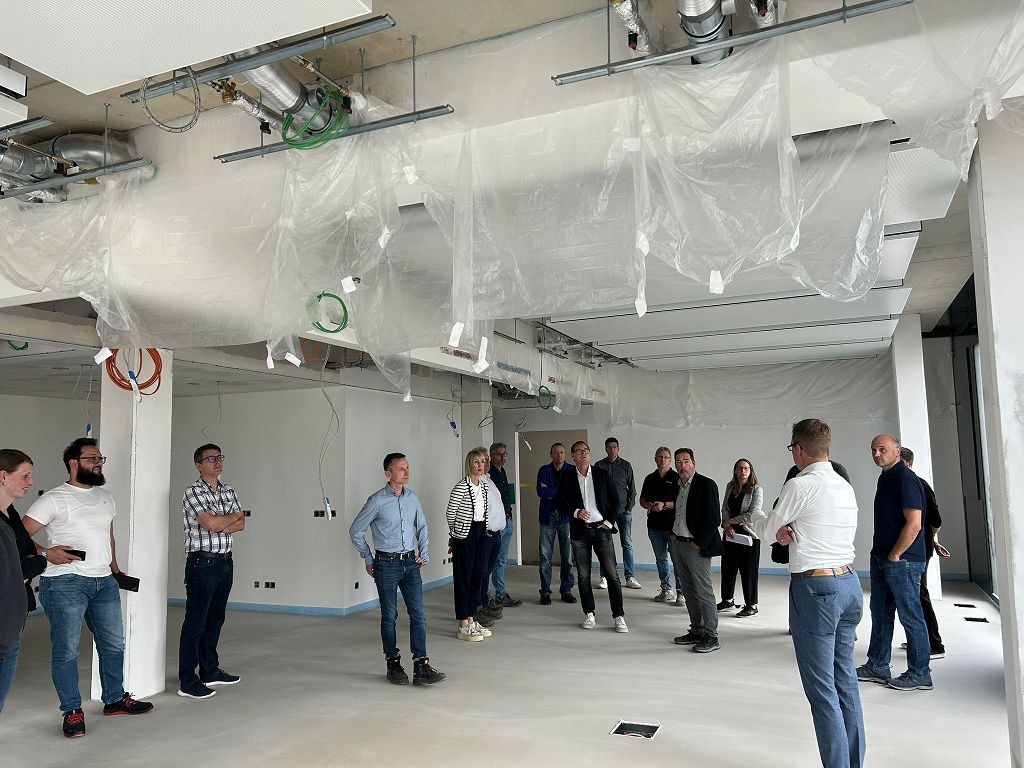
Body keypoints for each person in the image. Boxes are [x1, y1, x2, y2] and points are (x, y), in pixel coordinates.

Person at [750, 419, 864, 768]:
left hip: (816, 589)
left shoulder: (800, 484)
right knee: (845, 681)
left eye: (792, 449)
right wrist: (788, 529)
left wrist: (760, 518)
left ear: (799, 449)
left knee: (822, 691)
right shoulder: (843, 485)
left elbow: (767, 530)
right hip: (850, 584)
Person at [24, 438, 154, 738]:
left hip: (104, 581)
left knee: (114, 645)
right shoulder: (54, 499)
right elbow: (19, 534)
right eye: (92, 458)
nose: (98, 463)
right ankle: (72, 711)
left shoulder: (105, 497)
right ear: (74, 463)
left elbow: (107, 535)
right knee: (67, 650)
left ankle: (115, 699)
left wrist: (114, 569)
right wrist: (46, 553)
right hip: (64, 582)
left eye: (100, 458)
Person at [349, 453, 446, 686]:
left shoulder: (413, 498)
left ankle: (421, 665)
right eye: (401, 468)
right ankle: (393, 664)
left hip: (411, 563)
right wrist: (368, 558)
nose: (406, 472)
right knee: (389, 616)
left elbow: (422, 526)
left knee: (418, 614)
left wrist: (424, 552)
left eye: (407, 467)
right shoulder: (376, 501)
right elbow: (356, 530)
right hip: (386, 564)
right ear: (388, 473)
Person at [857, 434, 932, 692]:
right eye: (873, 450)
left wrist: (895, 555)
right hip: (882, 558)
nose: (877, 454)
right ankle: (878, 665)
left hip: (903, 562)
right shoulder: (886, 477)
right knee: (880, 613)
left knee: (911, 617)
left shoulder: (905, 479)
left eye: (882, 449)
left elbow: (914, 524)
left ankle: (920, 673)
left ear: (897, 451)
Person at [177, 444, 245, 699]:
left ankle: (210, 670)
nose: (217, 462)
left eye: (220, 457)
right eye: (211, 459)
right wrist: (225, 521)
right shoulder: (192, 491)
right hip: (202, 563)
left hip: (225, 562)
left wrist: (221, 522)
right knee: (195, 622)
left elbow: (241, 522)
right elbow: (211, 523)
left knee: (216, 619)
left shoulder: (229, 490)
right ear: (198, 465)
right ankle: (187, 680)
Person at [556, 441, 627, 633]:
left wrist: (609, 523)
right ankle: (589, 613)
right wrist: (576, 511)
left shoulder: (601, 474)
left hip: (602, 529)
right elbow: (560, 503)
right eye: (579, 451)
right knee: (583, 576)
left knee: (612, 574)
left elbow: (616, 500)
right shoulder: (567, 478)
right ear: (572, 455)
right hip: (580, 532)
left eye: (586, 450)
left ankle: (619, 616)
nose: (583, 454)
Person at [0, 449, 44, 713]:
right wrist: (41, 560)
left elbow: (26, 556)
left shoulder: (11, 513)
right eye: (25, 476)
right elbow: (18, 567)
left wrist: (34, 561)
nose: (30, 482)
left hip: (13, 620)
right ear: (3, 476)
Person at [669, 448, 723, 654]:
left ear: (694, 463)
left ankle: (711, 635)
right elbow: (676, 513)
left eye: (686, 461)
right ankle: (697, 630)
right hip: (679, 543)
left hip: (696, 546)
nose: (682, 465)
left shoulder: (706, 484)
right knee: (688, 591)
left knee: (703, 591)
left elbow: (714, 519)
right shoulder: (677, 486)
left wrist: (699, 543)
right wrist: (673, 534)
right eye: (678, 462)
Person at [447, 448, 498, 641]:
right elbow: (450, 513)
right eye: (476, 462)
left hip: (480, 532)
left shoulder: (483, 486)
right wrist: (456, 534)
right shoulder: (461, 487)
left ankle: (471, 617)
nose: (480, 465)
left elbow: (484, 511)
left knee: (477, 576)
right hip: (464, 535)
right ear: (469, 464)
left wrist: (485, 527)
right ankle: (463, 622)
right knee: (464, 578)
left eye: (482, 462)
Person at [900, 447, 946, 659]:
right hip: (912, 548)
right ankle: (919, 640)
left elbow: (935, 520)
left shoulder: (919, 484)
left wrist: (930, 539)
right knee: (913, 596)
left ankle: (935, 645)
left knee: (920, 594)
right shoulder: (900, 484)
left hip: (919, 549)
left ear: (909, 463)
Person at [719, 458, 765, 617]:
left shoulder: (756, 489)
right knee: (728, 568)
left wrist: (730, 521)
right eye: (740, 468)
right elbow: (724, 507)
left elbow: (753, 513)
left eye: (746, 468)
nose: (743, 471)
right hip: (730, 533)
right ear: (735, 470)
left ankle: (752, 605)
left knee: (748, 571)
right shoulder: (730, 486)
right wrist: (727, 526)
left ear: (750, 471)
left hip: (748, 534)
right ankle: (727, 600)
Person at [595, 437, 640, 590]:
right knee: (604, 545)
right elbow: (595, 489)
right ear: (605, 449)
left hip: (623, 512)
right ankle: (605, 577)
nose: (612, 449)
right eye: (609, 447)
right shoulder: (599, 466)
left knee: (627, 544)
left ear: (618, 448)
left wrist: (629, 508)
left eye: (614, 447)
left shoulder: (626, 465)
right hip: (605, 514)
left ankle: (630, 577)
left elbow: (632, 489)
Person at [639, 447, 682, 604]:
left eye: (666, 457)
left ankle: (681, 592)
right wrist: (648, 505)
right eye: (660, 457)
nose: (663, 459)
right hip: (654, 526)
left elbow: (682, 502)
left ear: (670, 460)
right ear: (655, 459)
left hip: (673, 527)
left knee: (677, 560)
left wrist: (664, 505)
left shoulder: (677, 478)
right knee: (661, 559)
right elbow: (642, 500)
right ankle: (666, 589)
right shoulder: (650, 478)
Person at [536, 443, 576, 605]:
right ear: (551, 454)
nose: (559, 455)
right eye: (556, 452)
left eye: (561, 452)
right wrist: (561, 491)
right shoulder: (544, 470)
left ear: (565, 454)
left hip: (566, 518)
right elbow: (541, 492)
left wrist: (552, 491)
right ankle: (545, 592)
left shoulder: (572, 470)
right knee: (545, 557)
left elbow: (573, 492)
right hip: (548, 517)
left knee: (567, 557)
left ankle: (566, 590)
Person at [474, 446, 507, 631]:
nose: (486, 463)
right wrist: (483, 527)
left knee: (487, 571)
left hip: (495, 534)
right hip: (485, 535)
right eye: (482, 460)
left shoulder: (489, 480)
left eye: (486, 460)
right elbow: (477, 508)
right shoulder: (476, 483)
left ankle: (485, 602)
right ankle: (477, 607)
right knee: (481, 572)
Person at [488, 442, 522, 607]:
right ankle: (488, 597)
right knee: (492, 560)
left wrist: (510, 515)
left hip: (507, 521)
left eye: (504, 454)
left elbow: (505, 497)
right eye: (498, 454)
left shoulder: (502, 471)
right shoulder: (489, 474)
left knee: (501, 560)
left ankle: (500, 595)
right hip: (497, 524)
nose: (502, 457)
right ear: (491, 456)